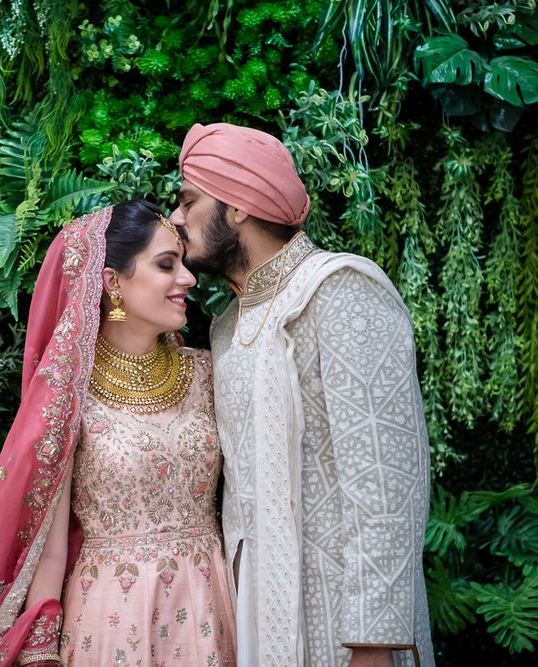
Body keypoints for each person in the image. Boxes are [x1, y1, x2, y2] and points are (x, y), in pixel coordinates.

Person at [171, 122, 434, 667]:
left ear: (238, 207)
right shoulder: (225, 327)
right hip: (257, 618)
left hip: (344, 621)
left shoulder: (339, 290)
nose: (177, 218)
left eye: (189, 201)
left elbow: (385, 485)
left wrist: (374, 642)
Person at [0, 200, 236, 666]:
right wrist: (41, 652)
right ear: (111, 282)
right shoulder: (70, 395)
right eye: (167, 265)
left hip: (210, 605)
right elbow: (49, 543)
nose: (188, 278)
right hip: (111, 621)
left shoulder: (208, 374)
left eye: (183, 262)